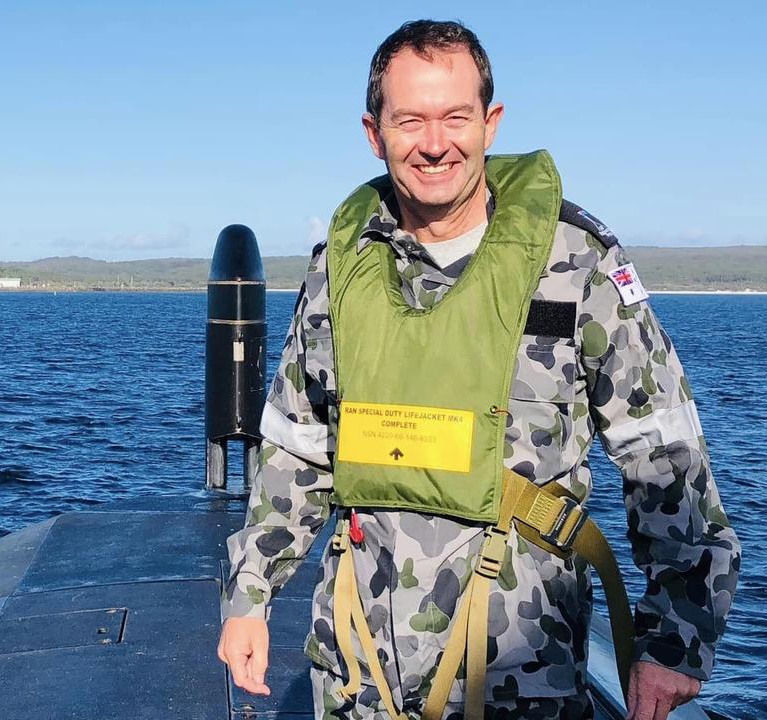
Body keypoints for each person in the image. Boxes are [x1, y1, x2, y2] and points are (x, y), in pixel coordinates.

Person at [216, 19, 740, 720]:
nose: (435, 144)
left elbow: (665, 456)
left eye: (455, 117)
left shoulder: (576, 265)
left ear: (490, 123)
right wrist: (249, 596)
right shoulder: (337, 271)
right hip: (356, 676)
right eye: (409, 121)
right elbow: (298, 448)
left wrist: (676, 642)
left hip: (521, 679)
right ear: (374, 134)